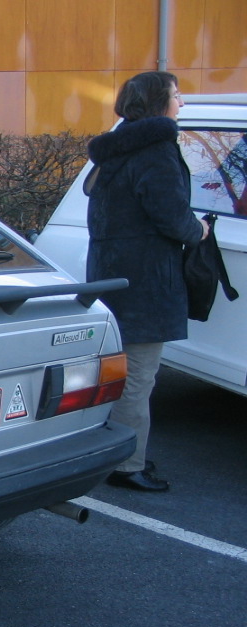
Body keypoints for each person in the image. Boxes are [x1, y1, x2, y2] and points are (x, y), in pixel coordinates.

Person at [86, 71, 209, 492]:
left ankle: (114, 450)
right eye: (177, 95)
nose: (182, 103)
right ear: (158, 102)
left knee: (118, 371)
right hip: (146, 280)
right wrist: (199, 230)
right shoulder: (156, 149)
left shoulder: (116, 148)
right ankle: (126, 464)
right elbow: (172, 217)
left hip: (111, 276)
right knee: (138, 375)